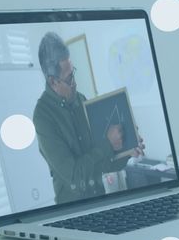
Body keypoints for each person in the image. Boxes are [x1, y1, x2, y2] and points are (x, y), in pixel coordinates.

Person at [33, 32, 143, 204]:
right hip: (72, 210)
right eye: (69, 78)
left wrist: (127, 150)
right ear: (53, 81)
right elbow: (75, 176)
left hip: (99, 200)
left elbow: (103, 164)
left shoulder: (80, 100)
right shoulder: (42, 116)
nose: (75, 82)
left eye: (73, 73)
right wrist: (108, 144)